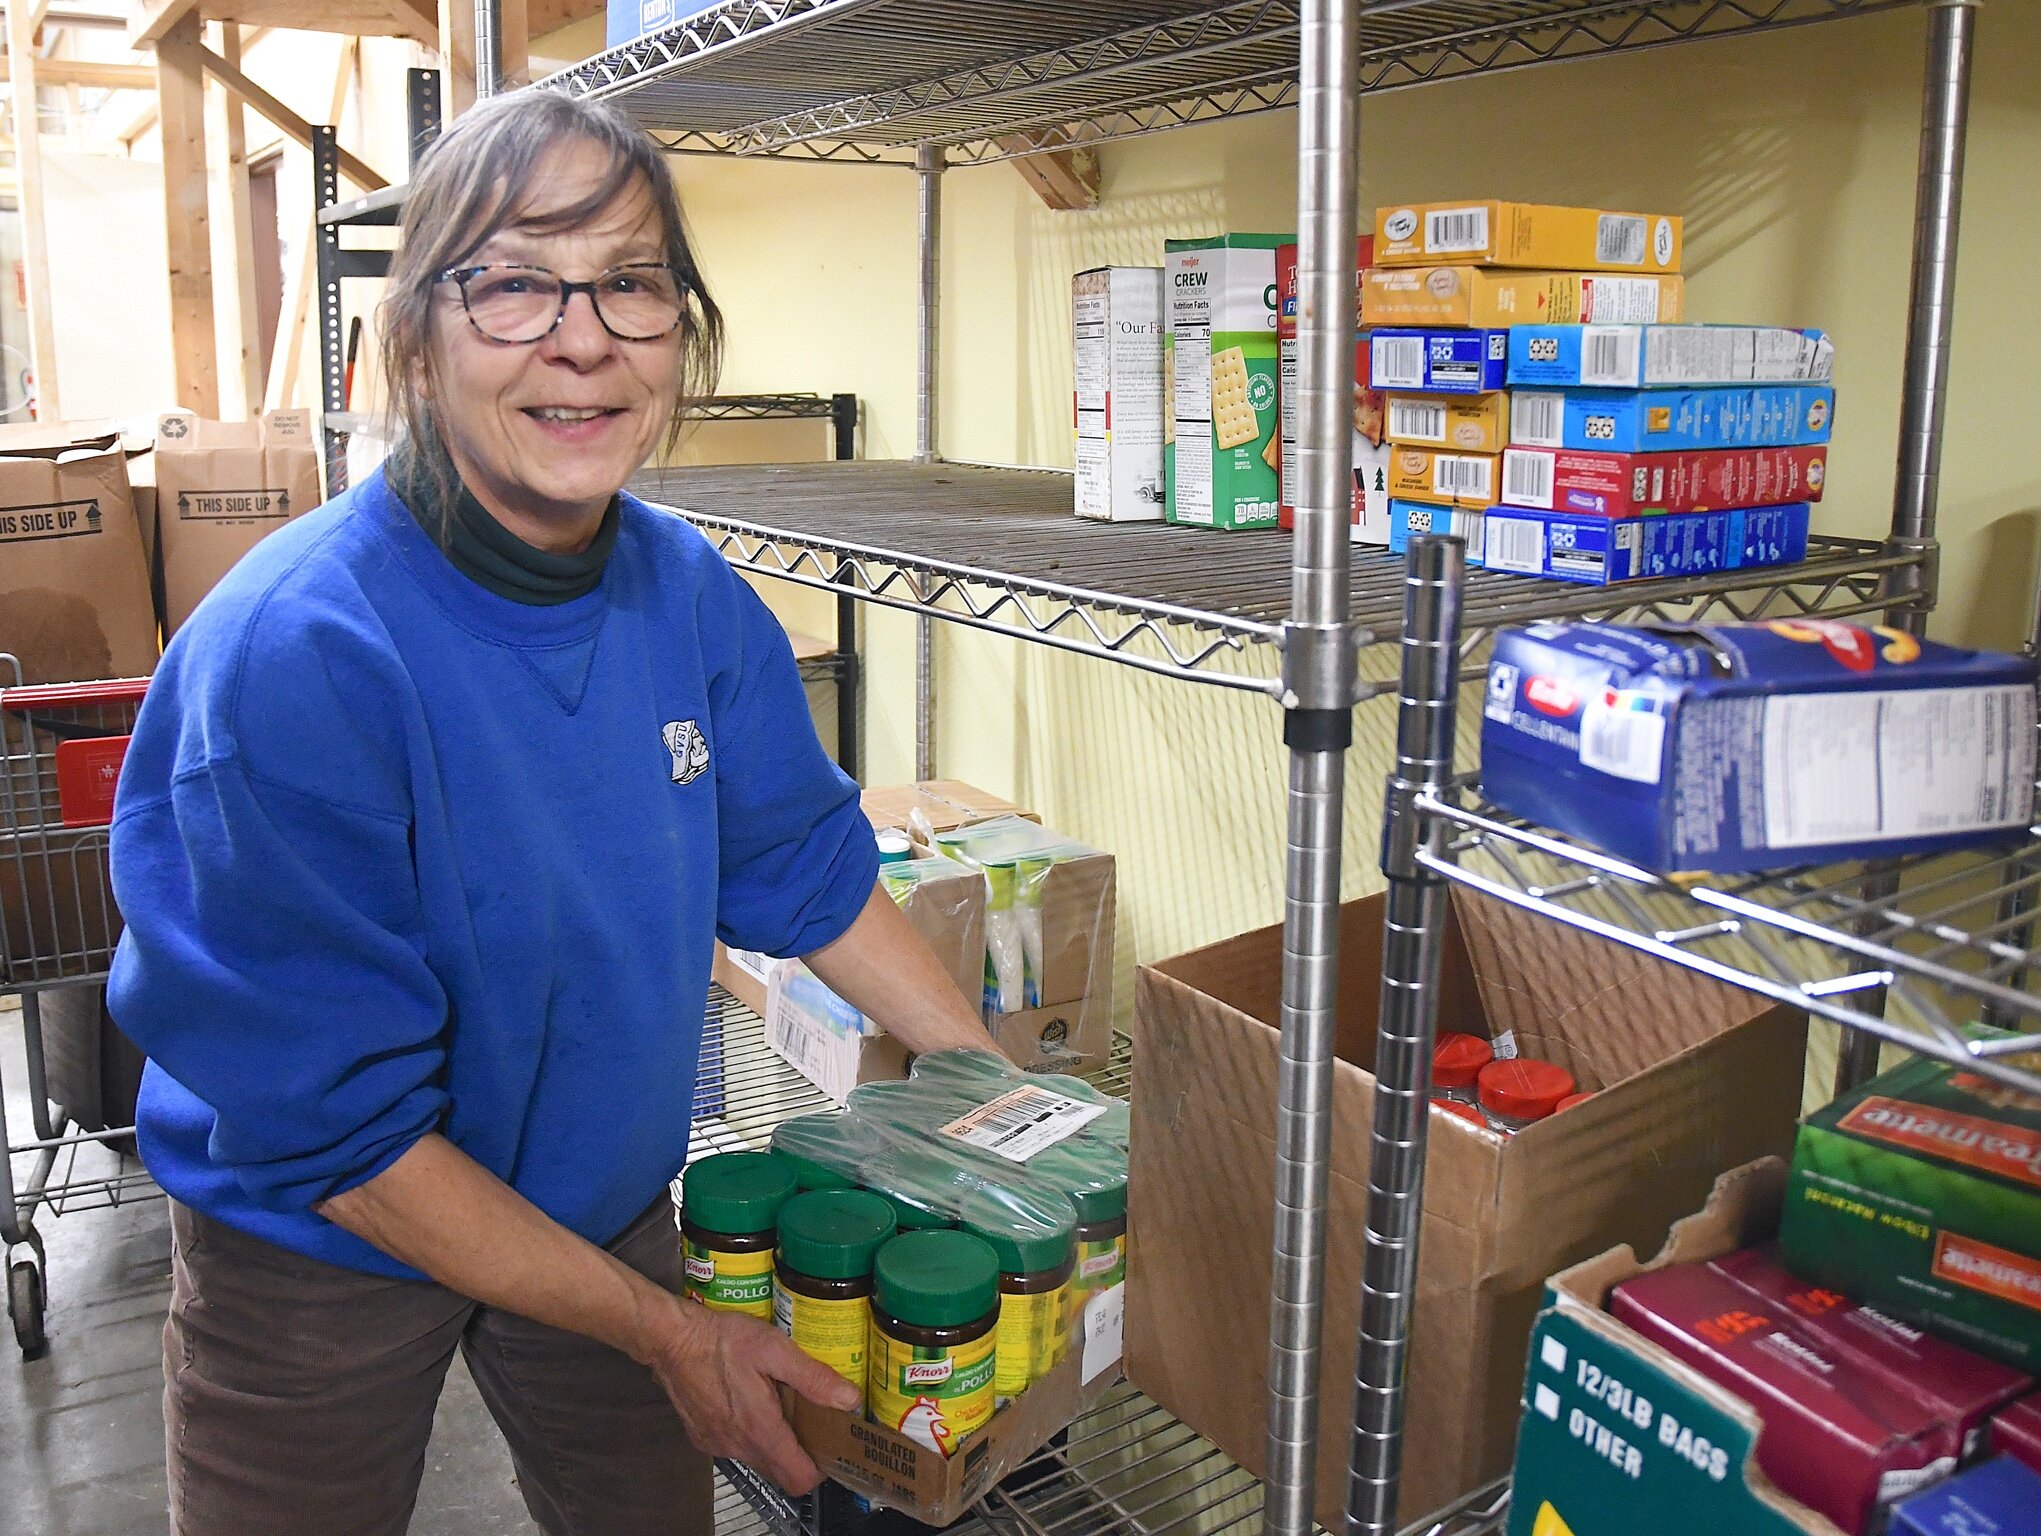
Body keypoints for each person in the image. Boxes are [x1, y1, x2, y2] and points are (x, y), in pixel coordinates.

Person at [107, 89, 1001, 1536]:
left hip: (601, 1196)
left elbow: (803, 866)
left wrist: (990, 1092)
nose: (581, 338)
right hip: (317, 1244)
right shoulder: (298, 656)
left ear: (680, 337)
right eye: (515, 281)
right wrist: (671, 1336)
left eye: (631, 284)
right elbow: (350, 1143)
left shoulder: (685, 591)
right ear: (415, 336)